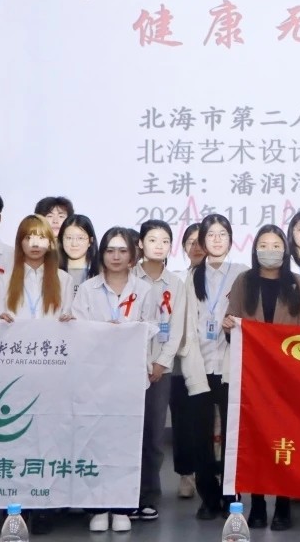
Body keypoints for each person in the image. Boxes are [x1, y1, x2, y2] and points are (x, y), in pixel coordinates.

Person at [73, 227, 175, 532]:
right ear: (101, 254)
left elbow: (153, 326)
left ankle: (123, 505)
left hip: (131, 377)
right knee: (97, 441)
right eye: (110, 250)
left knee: (128, 442)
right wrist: (104, 329)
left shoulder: (144, 290)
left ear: (132, 255)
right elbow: (79, 330)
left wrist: (128, 329)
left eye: (122, 251)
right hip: (95, 378)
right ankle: (97, 505)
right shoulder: (87, 289)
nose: (115, 256)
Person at [224, 225, 300, 531]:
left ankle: (283, 506)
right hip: (253, 377)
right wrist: (228, 326)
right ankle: (259, 505)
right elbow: (232, 322)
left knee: (286, 441)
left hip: (288, 377)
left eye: (276, 245)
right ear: (255, 249)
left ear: (285, 250)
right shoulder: (243, 281)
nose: (270, 250)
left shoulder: (298, 283)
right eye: (264, 245)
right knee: (257, 440)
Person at [0, 215, 74, 534]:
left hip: (51, 372)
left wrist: (70, 322)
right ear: (20, 243)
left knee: (48, 440)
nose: (35, 243)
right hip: (14, 372)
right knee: (14, 439)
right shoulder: (4, 279)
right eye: (28, 237)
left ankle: (44, 504)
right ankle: (15, 504)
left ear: (50, 243)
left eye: (41, 237)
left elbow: (70, 324)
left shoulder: (64, 280)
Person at [172, 214, 248, 521]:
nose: (217, 240)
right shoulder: (189, 277)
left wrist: (236, 325)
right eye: (211, 235)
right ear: (202, 241)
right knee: (199, 435)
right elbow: (183, 323)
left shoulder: (242, 274)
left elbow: (250, 318)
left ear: (231, 240)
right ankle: (208, 496)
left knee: (232, 436)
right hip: (200, 365)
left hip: (231, 365)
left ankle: (231, 494)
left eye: (222, 234)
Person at [129, 219, 182, 520]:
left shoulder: (176, 284)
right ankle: (122, 495)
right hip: (126, 366)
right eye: (152, 240)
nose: (159, 246)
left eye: (165, 241)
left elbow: (177, 328)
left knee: (153, 435)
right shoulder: (127, 277)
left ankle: (148, 495)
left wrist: (162, 362)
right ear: (140, 243)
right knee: (125, 432)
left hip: (160, 370)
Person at [170, 223, 203, 500]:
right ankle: (186, 474)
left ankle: (211, 474)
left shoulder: (225, 279)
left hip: (212, 361)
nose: (197, 247)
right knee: (183, 421)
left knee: (211, 422)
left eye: (201, 241)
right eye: (191, 242)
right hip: (180, 364)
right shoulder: (176, 279)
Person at [58, 214, 99, 288]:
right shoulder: (52, 271)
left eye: (80, 238)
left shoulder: (101, 273)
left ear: (90, 241)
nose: (74, 244)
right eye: (69, 238)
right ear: (61, 240)